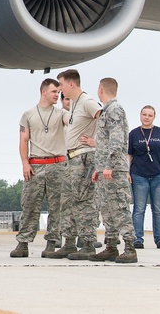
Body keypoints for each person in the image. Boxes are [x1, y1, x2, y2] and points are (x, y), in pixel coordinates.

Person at [45, 69, 102, 259]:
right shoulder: (74, 105)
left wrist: (98, 142)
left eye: (61, 85)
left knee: (83, 201)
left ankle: (87, 244)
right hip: (72, 159)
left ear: (71, 84)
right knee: (67, 201)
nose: (60, 89)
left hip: (84, 158)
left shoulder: (87, 102)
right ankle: (69, 242)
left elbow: (105, 118)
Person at [10, 78, 67, 258]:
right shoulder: (28, 115)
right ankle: (23, 243)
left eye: (59, 92)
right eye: (54, 92)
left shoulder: (61, 114)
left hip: (57, 164)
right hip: (36, 165)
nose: (57, 95)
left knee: (56, 207)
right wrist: (25, 163)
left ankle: (52, 243)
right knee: (29, 204)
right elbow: (23, 140)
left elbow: (71, 119)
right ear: (44, 92)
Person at [88, 78, 136, 263]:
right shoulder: (107, 111)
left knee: (119, 208)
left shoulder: (114, 110)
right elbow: (104, 143)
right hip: (105, 170)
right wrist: (99, 169)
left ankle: (130, 247)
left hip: (114, 170)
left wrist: (109, 165)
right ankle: (111, 246)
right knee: (107, 209)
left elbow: (116, 140)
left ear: (101, 89)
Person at [128, 105, 160, 249]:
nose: (146, 117)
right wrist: (127, 172)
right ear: (140, 115)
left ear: (154, 117)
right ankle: (137, 238)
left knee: (158, 209)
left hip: (159, 175)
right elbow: (129, 154)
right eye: (144, 114)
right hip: (139, 175)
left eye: (150, 115)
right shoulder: (134, 134)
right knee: (139, 208)